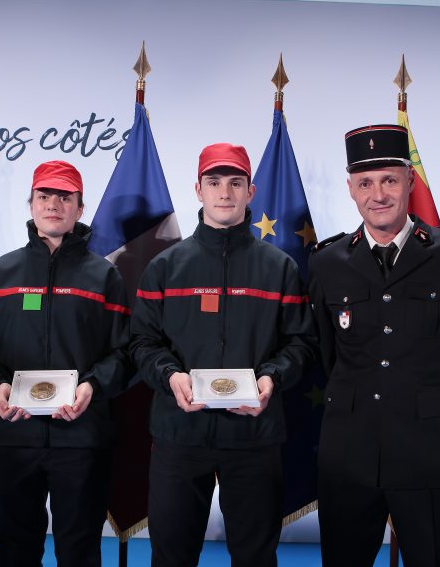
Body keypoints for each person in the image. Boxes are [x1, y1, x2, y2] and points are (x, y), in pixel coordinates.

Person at [308, 124, 440, 566]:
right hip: (350, 454)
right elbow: (325, 352)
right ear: (351, 189)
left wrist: (429, 398)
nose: (378, 195)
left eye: (390, 180)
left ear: (410, 181)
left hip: (430, 450)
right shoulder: (326, 261)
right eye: (365, 183)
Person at [130, 143, 316, 567]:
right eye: (214, 182)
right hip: (180, 432)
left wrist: (271, 378)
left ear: (252, 191)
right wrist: (170, 376)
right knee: (171, 556)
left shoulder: (280, 267)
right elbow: (141, 342)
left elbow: (301, 343)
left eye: (236, 182)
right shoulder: (165, 267)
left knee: (255, 557)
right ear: (198, 190)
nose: (225, 193)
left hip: (254, 435)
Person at [0, 160, 132, 567]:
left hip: (81, 437)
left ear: (80, 208)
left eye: (64, 197)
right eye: (44, 195)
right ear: (32, 204)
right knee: (14, 551)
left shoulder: (105, 277)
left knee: (79, 552)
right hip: (10, 434)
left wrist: (93, 386)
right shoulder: (0, 273)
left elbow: (126, 352)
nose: (53, 204)